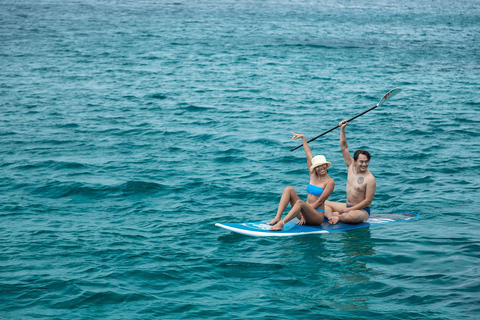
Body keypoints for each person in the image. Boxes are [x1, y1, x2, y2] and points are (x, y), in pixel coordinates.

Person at [268, 132, 335, 231]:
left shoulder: (330, 182)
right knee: (289, 189)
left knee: (300, 202)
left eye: (322, 165)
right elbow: (309, 155)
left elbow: (320, 201)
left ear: (326, 165)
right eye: (317, 166)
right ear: (315, 168)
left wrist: (305, 215)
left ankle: (282, 223)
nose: (321, 168)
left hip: (316, 216)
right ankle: (278, 217)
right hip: (304, 212)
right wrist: (303, 138)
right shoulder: (313, 175)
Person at [325, 120, 376, 225]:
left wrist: (349, 211)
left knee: (350, 217)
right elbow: (344, 148)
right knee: (322, 203)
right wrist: (342, 129)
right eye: (361, 162)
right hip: (347, 206)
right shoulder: (351, 166)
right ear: (355, 161)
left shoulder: (370, 179)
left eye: (366, 162)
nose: (364, 164)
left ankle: (337, 216)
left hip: (362, 211)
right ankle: (331, 216)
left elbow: (367, 202)